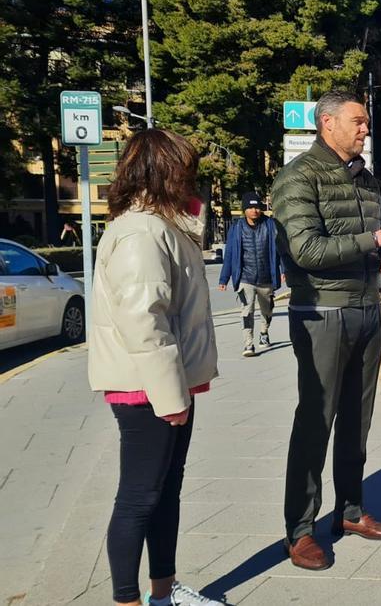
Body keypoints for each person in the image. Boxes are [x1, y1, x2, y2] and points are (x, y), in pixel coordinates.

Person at [273, 90, 381, 571]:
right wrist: (374, 238)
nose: (365, 129)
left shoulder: (366, 181)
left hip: (366, 309)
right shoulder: (298, 177)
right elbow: (307, 250)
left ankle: (351, 511)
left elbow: (359, 246)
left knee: (358, 419)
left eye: (366, 122)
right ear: (327, 123)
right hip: (321, 313)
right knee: (316, 421)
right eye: (357, 121)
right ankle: (300, 531)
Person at [88, 129, 223, 606]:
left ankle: (163, 594)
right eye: (184, 169)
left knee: (165, 493)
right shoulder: (140, 233)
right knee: (140, 498)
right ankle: (127, 599)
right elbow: (146, 322)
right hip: (146, 390)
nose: (192, 178)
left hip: (167, 385)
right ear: (164, 171)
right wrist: (170, 397)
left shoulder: (161, 226)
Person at [218, 191, 284, 357]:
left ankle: (264, 332)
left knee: (266, 310)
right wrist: (224, 278)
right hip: (245, 278)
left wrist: (284, 270)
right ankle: (248, 344)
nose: (255, 210)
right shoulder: (236, 228)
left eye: (257, 207)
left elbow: (281, 250)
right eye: (251, 207)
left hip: (266, 277)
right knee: (247, 311)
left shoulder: (270, 225)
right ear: (244, 210)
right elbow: (230, 255)